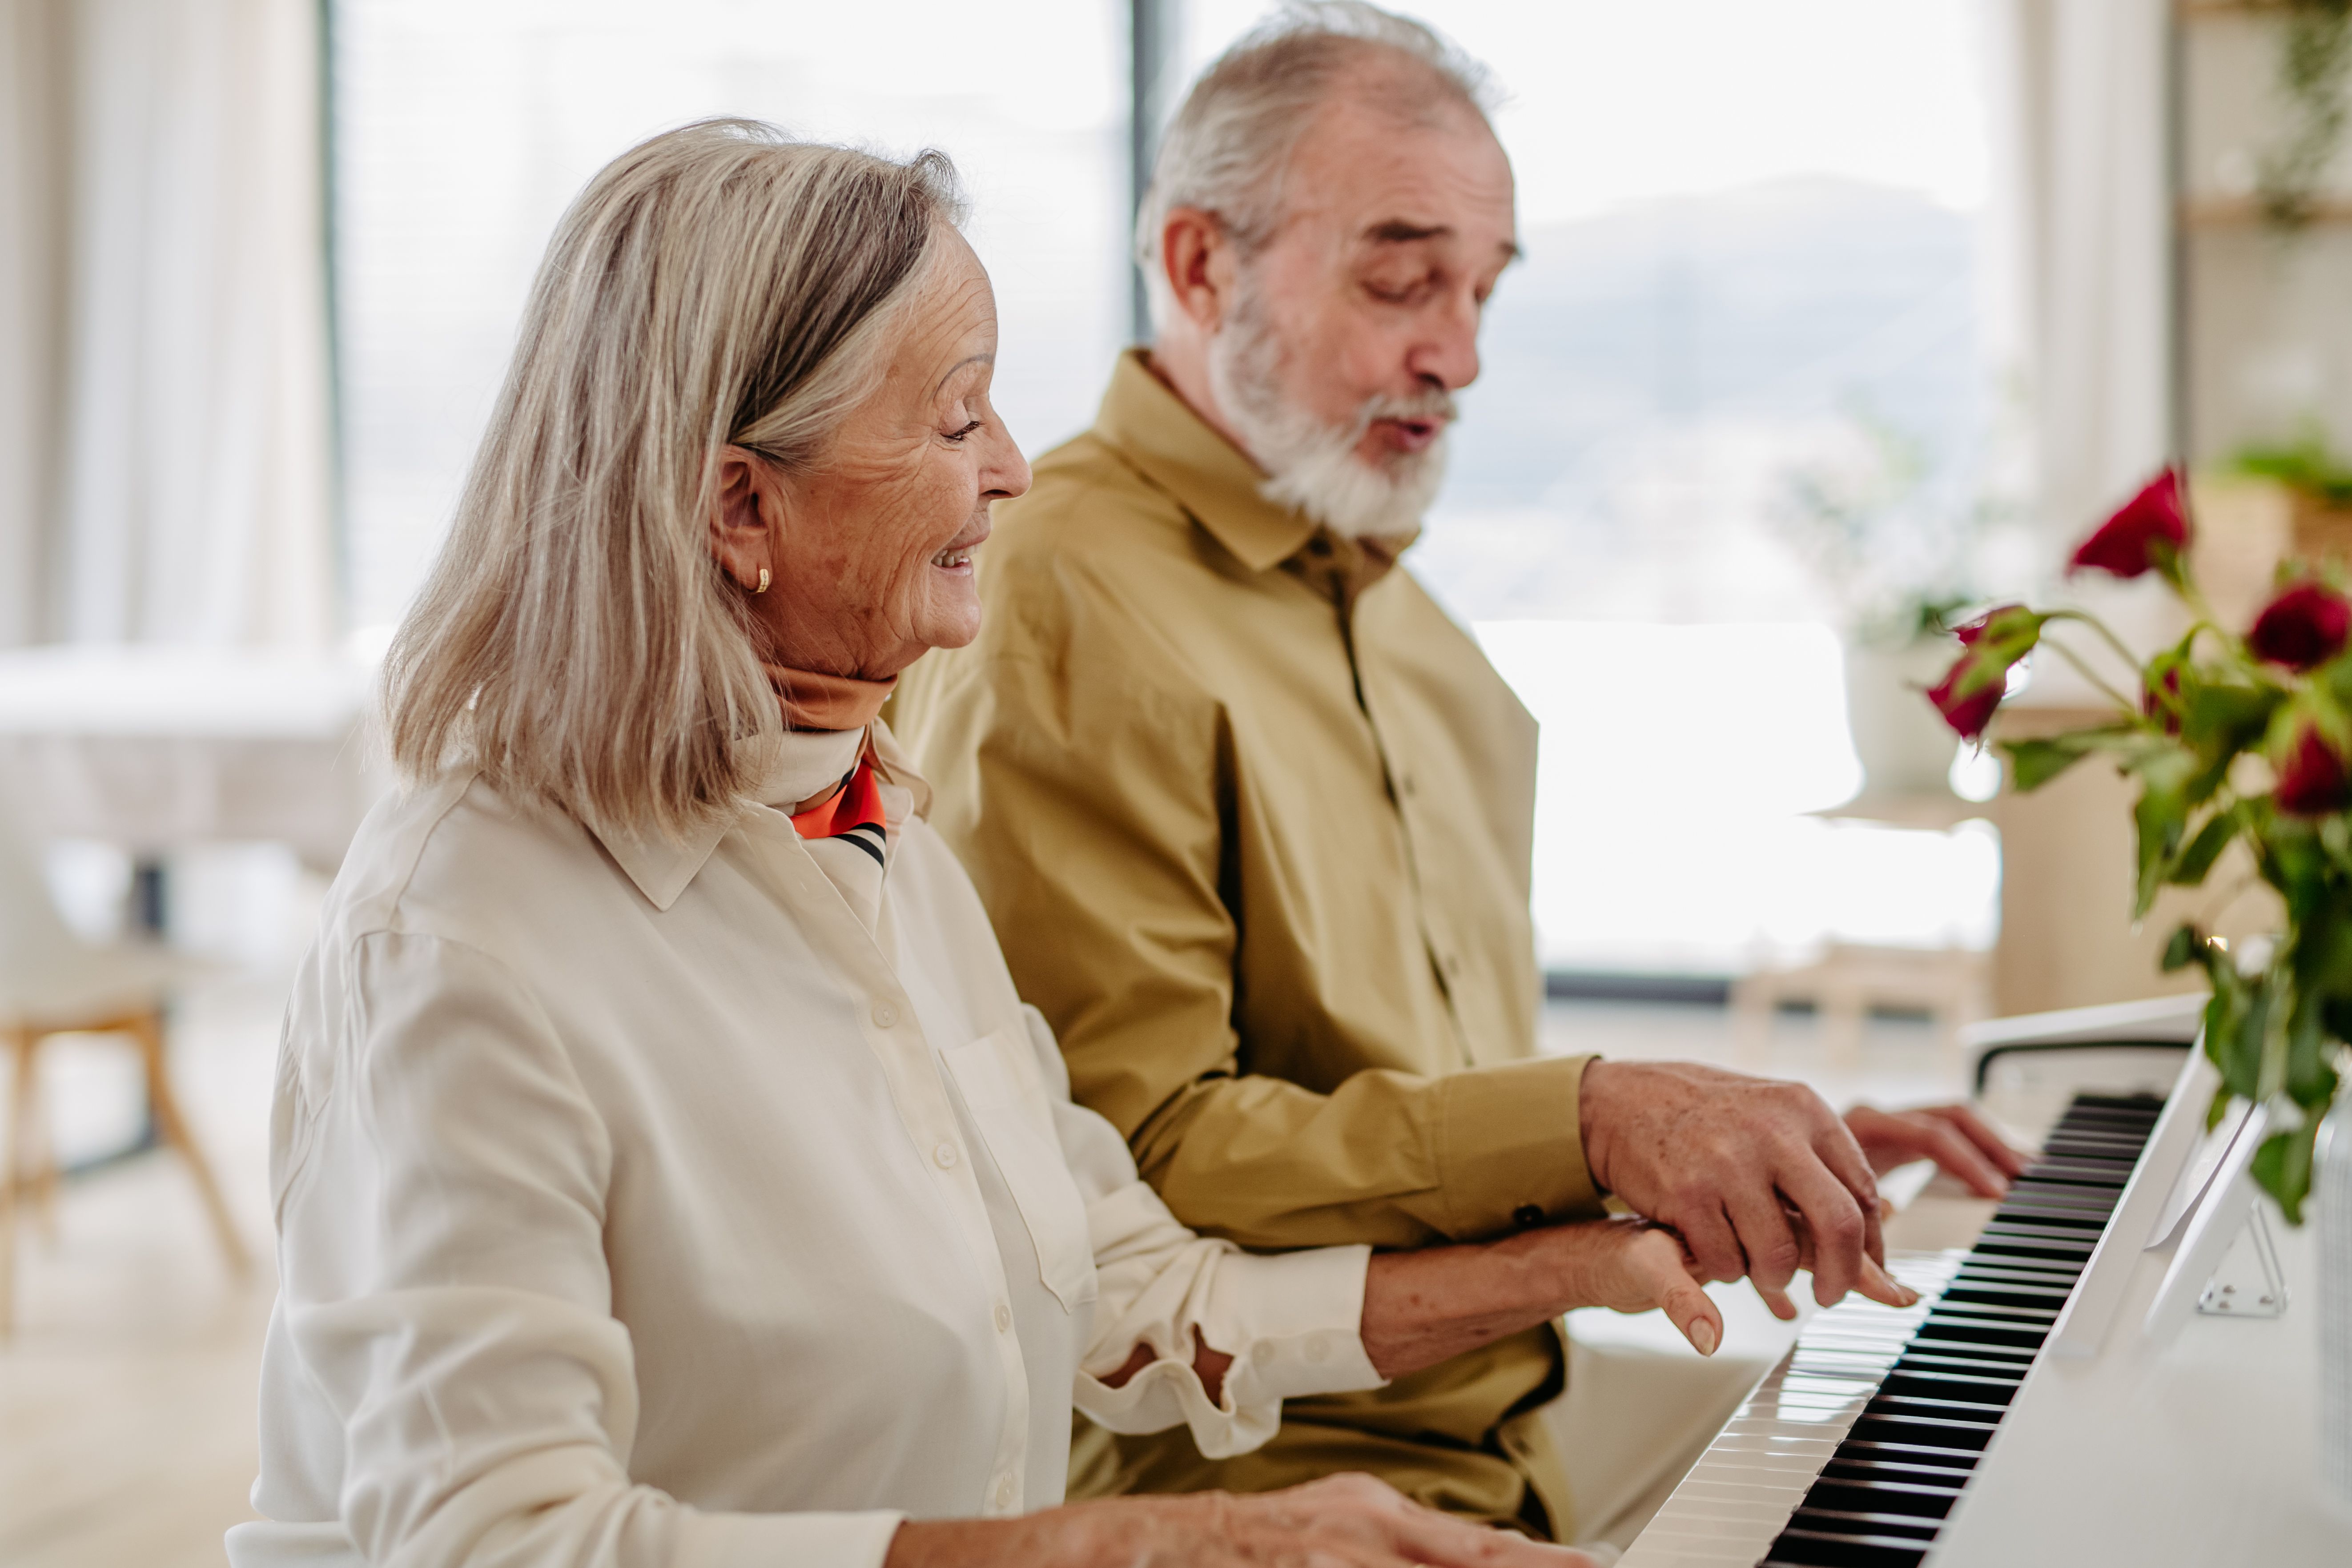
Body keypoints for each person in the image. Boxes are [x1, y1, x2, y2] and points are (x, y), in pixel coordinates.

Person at [222, 119, 1848, 1568]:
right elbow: (498, 1543)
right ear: (738, 510)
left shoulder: (878, 844)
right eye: (953, 418)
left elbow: (1137, 1296)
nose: (1010, 470)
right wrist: (1171, 1543)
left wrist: (1577, 1267)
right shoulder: (461, 937)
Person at [889, 2, 2029, 1542]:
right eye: (1400, 277)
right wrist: (1595, 1115)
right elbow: (1135, 1173)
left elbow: (1406, 1107)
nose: (1461, 353)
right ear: (1198, 265)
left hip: (1517, 1418)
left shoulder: (1408, 619)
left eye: (1481, 290)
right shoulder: (1055, 597)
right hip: (1267, 1484)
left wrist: (1715, 1145)